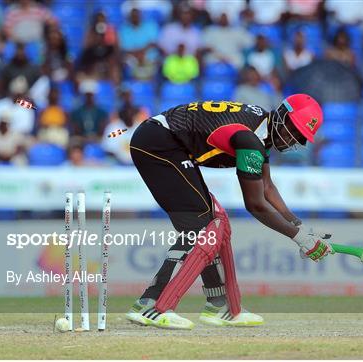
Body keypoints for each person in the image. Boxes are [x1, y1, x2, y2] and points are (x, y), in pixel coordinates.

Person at [125, 95, 334, 330]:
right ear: (282, 115)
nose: (291, 139)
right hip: (158, 142)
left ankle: (219, 305)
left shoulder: (260, 132)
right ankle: (150, 305)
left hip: (164, 141)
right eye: (292, 129)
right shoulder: (250, 140)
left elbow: (267, 188)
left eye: (298, 137)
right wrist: (299, 238)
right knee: (202, 228)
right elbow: (255, 204)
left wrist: (299, 225)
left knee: (214, 223)